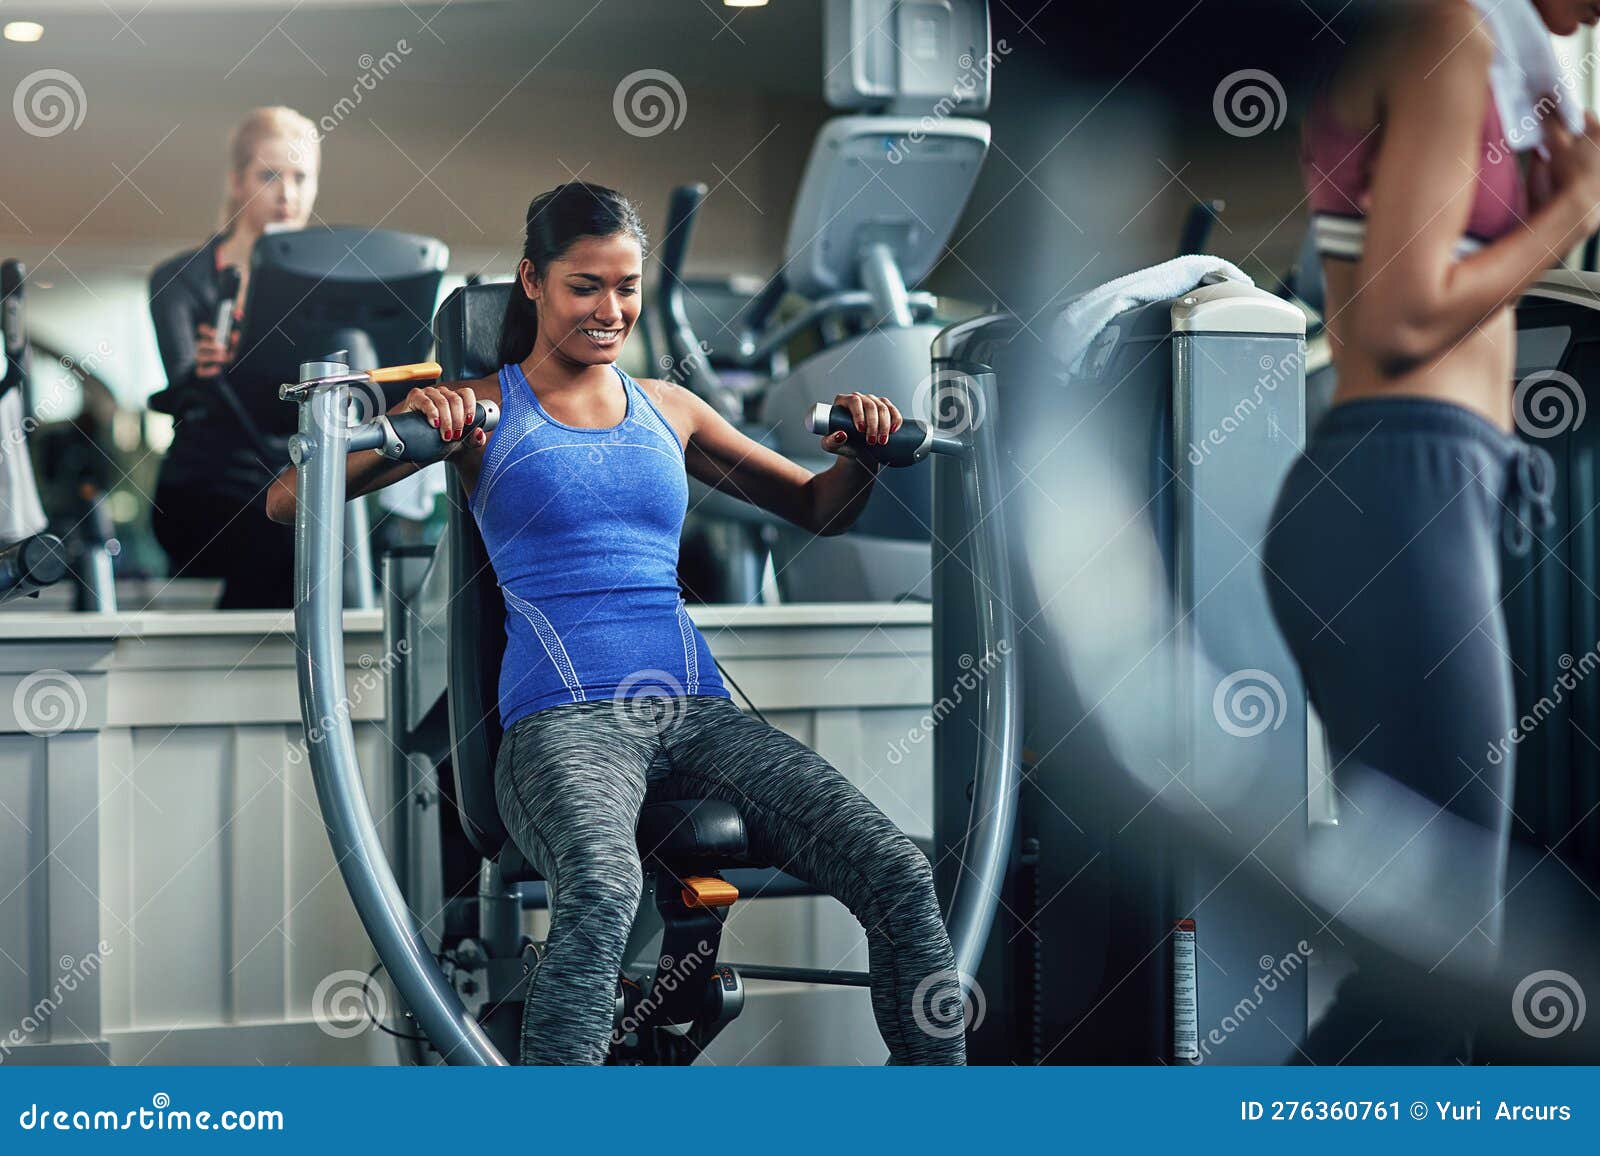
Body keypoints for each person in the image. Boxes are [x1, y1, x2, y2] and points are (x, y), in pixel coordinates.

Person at [265, 181, 965, 1065]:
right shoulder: (481, 407)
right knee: (601, 888)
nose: (611, 309)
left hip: (699, 711)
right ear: (533, 281)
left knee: (897, 871)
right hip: (561, 720)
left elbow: (819, 507)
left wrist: (862, 455)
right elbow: (291, 501)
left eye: (628, 286)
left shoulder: (670, 408)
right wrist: (409, 420)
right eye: (585, 285)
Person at [1262, 0, 1600, 1063]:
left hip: (1421, 490)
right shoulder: (1444, 39)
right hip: (1400, 489)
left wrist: (1557, 173)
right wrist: (1571, 211)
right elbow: (1405, 317)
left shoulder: (1492, 51)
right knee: (1437, 965)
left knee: (1433, 957)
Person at [149, 106, 319, 609]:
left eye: (301, 177)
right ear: (238, 181)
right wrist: (208, 374)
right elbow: (182, 389)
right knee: (284, 540)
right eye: (270, 175)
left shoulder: (325, 285)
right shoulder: (179, 281)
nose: (287, 193)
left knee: (325, 542)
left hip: (294, 485)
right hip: (206, 489)